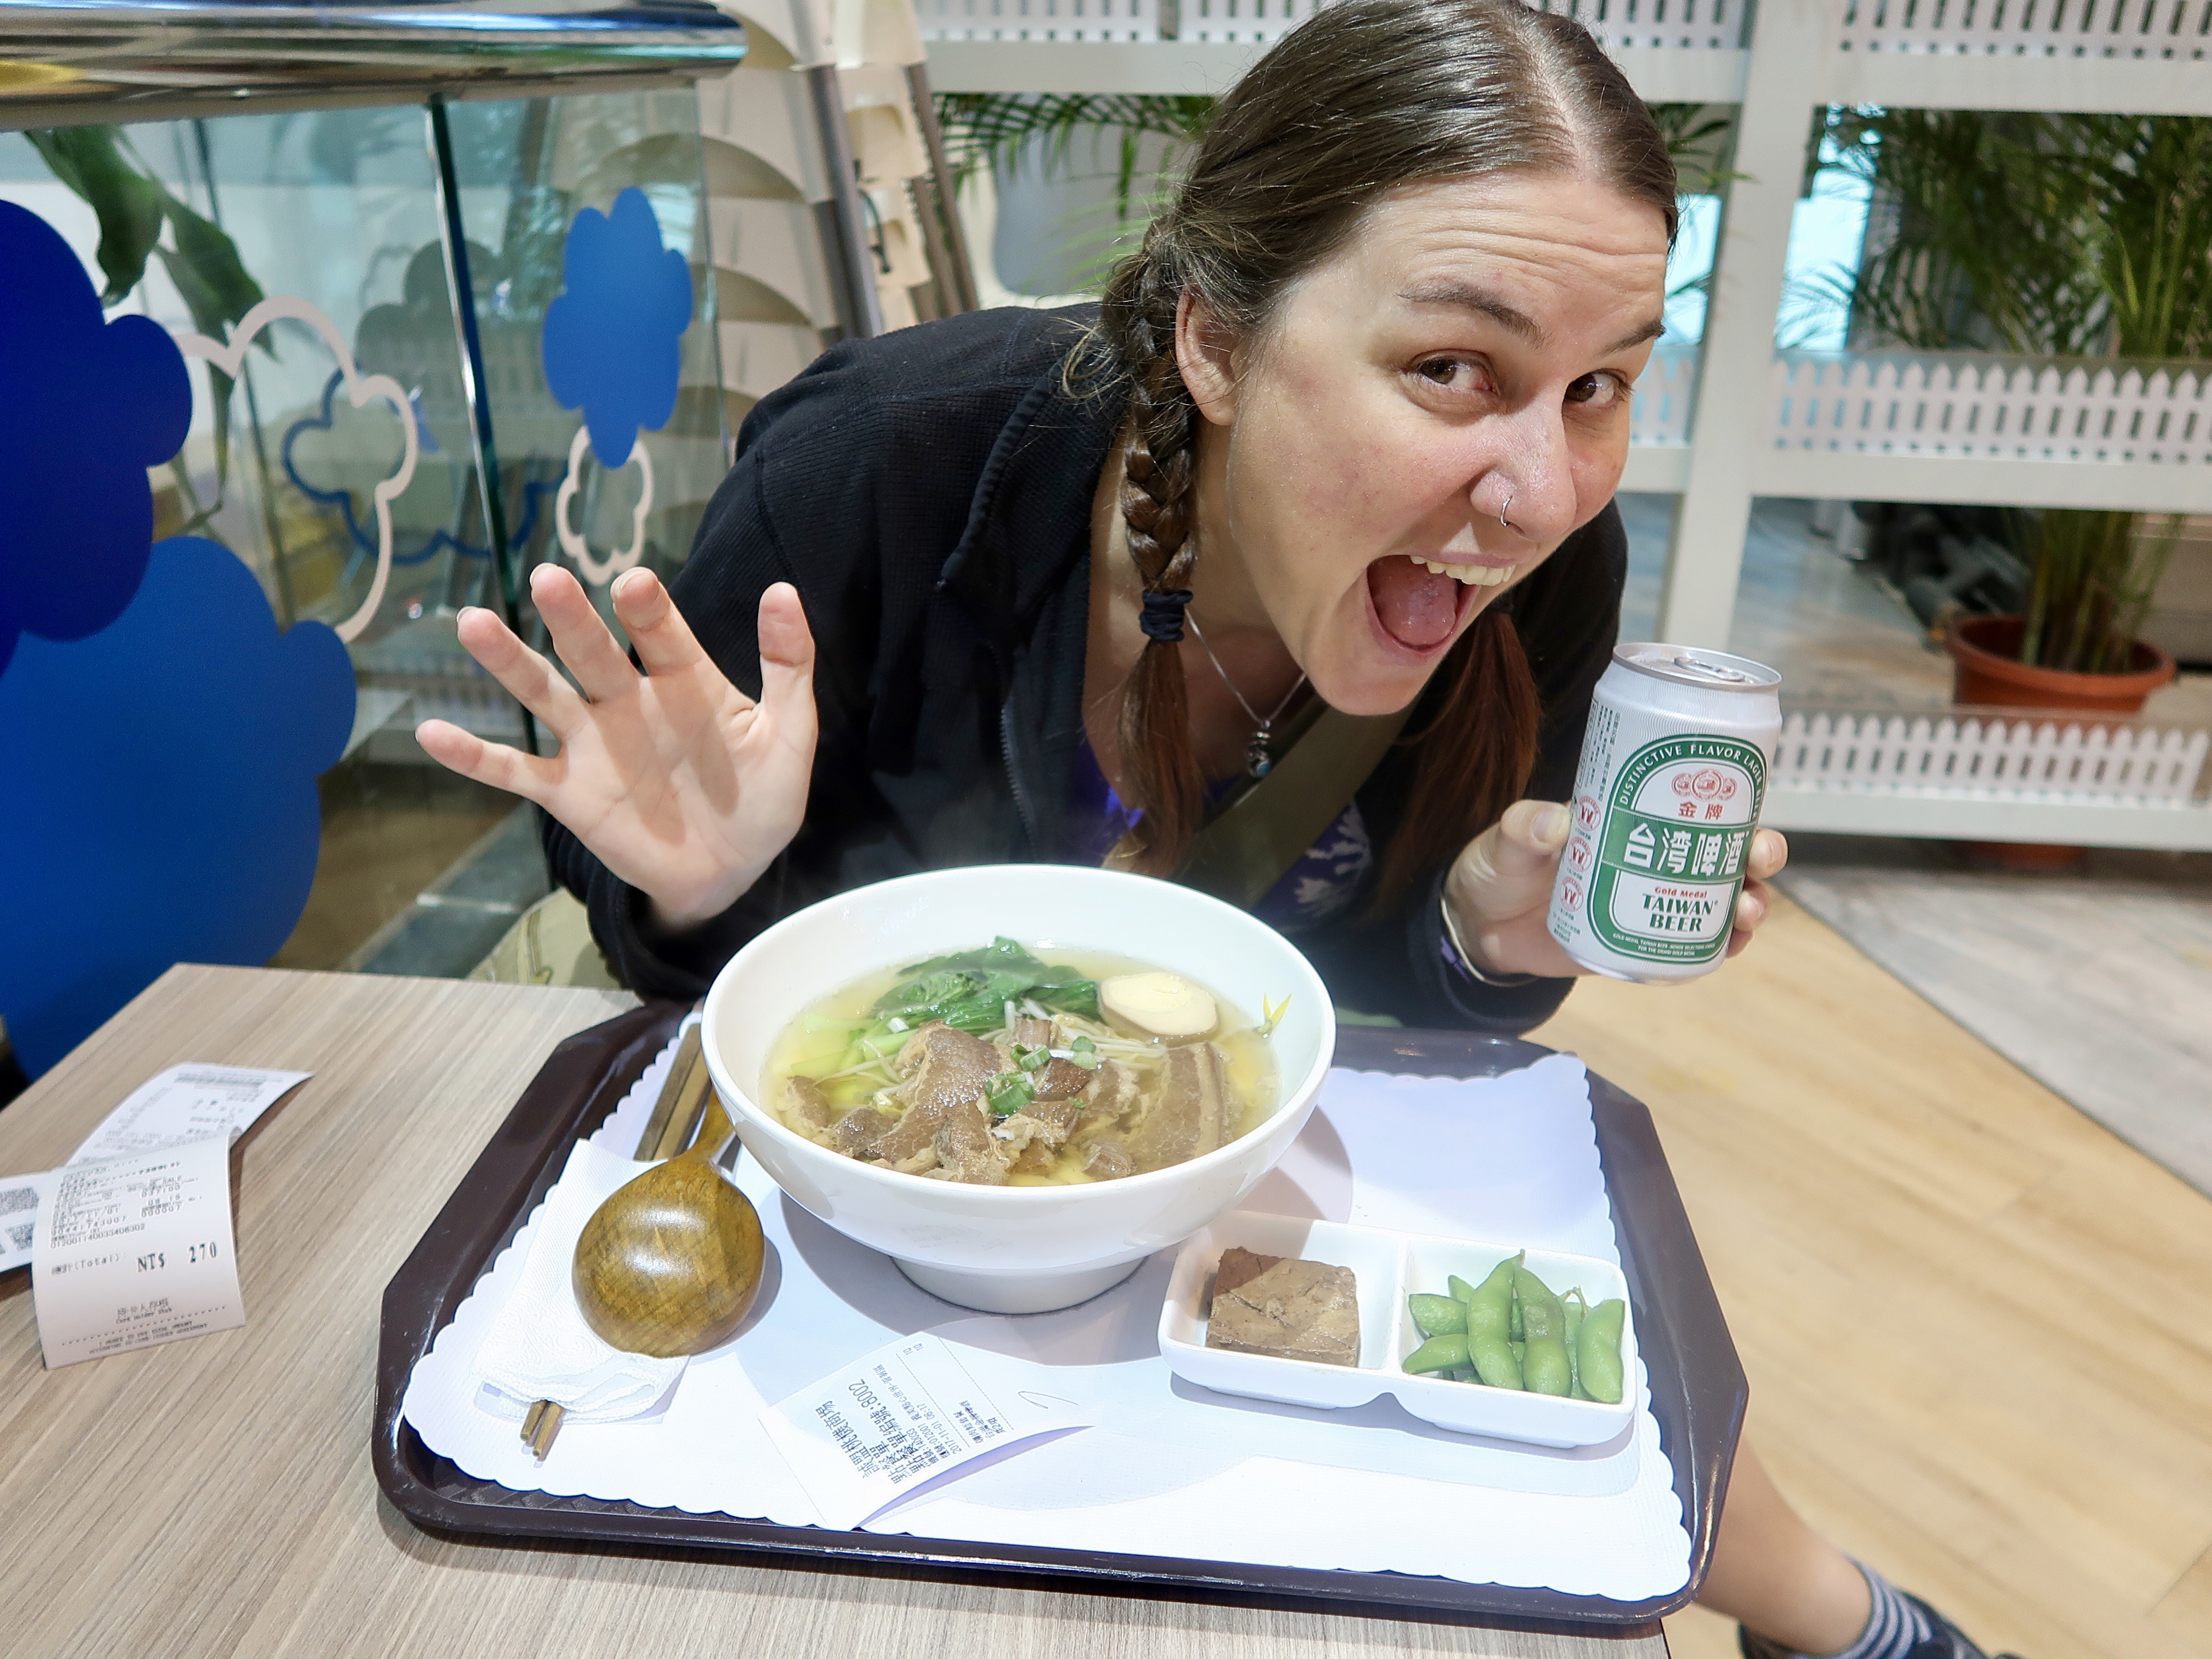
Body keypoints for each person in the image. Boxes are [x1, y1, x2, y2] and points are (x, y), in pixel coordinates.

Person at [419, 2, 2015, 1653]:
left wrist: (1477, 934)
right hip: (856, 1255)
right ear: (1219, 344)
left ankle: (1828, 1611)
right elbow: (666, 932)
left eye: (1600, 385)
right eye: (1452, 367)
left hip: (1219, 1245)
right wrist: (699, 889)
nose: (1540, 493)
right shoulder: (888, 471)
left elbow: (1389, 998)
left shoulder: (1542, 588)